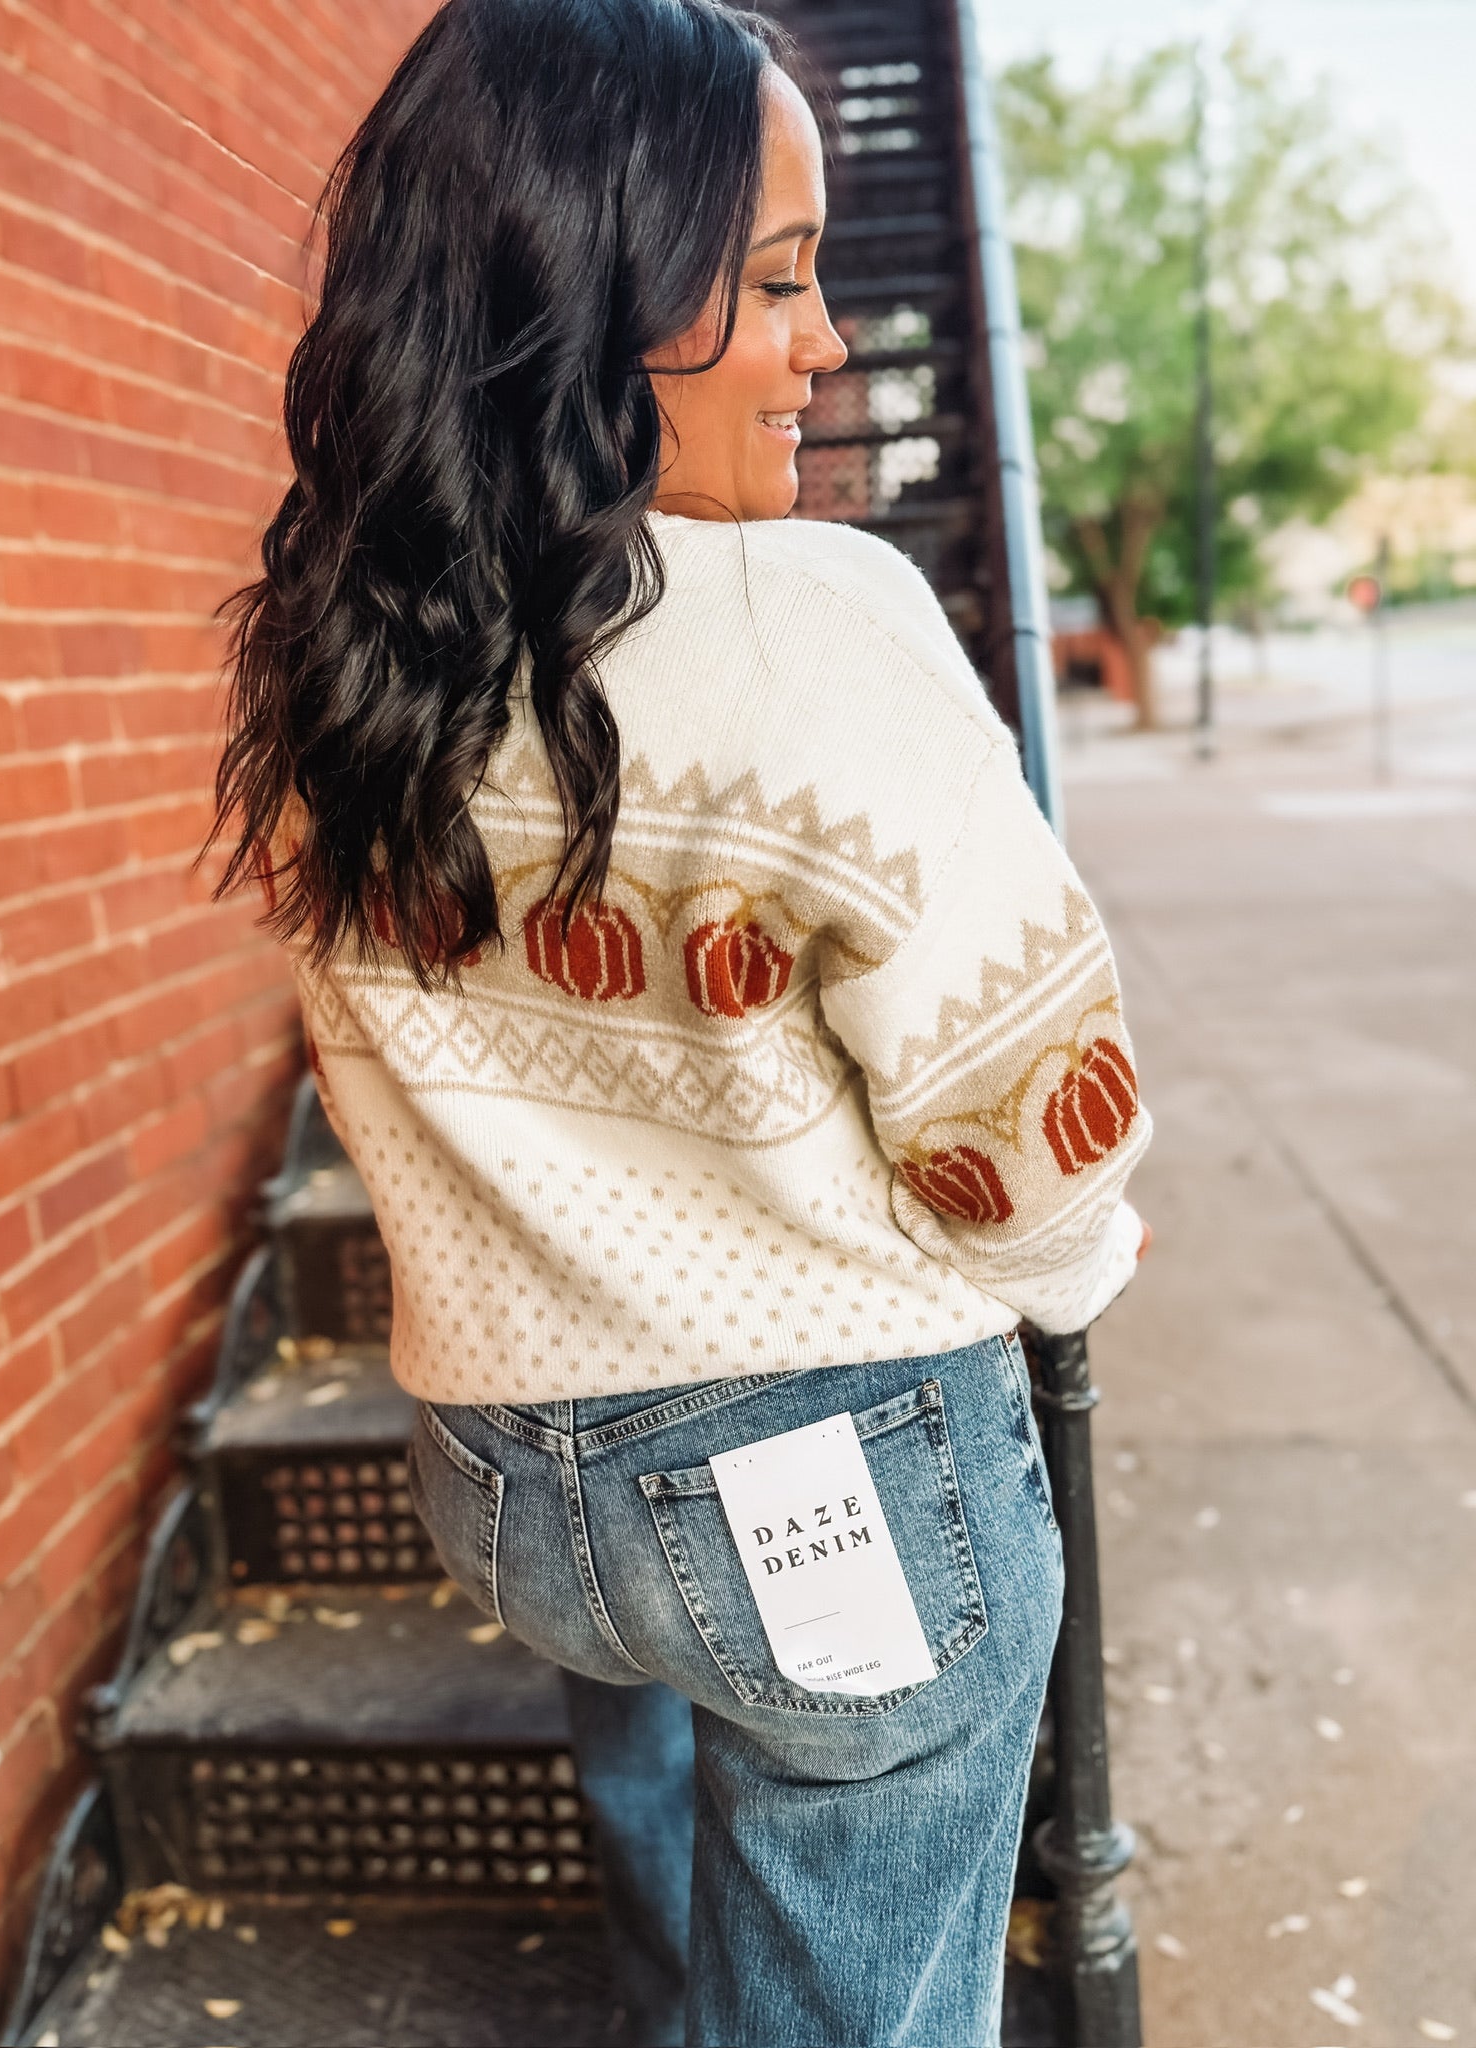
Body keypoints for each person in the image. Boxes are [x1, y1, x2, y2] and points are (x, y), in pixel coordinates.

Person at [210, 1, 1152, 2041]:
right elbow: (1022, 1120)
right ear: (594, 295)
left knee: (675, 1787)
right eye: (784, 281)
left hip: (505, 1473)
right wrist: (1073, 1269)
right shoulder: (809, 620)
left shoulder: (339, 659)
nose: (829, 346)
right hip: (835, 1465)